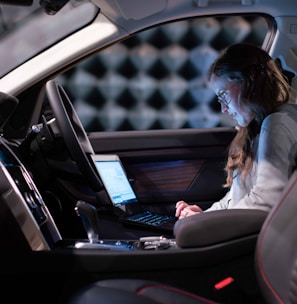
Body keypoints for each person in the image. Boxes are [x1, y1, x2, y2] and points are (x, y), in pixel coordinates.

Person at [176, 43, 297, 219]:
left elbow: (266, 200)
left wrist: (207, 223)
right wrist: (202, 216)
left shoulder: (277, 123)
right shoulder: (255, 128)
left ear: (248, 82)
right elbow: (234, 199)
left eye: (223, 95)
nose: (223, 108)